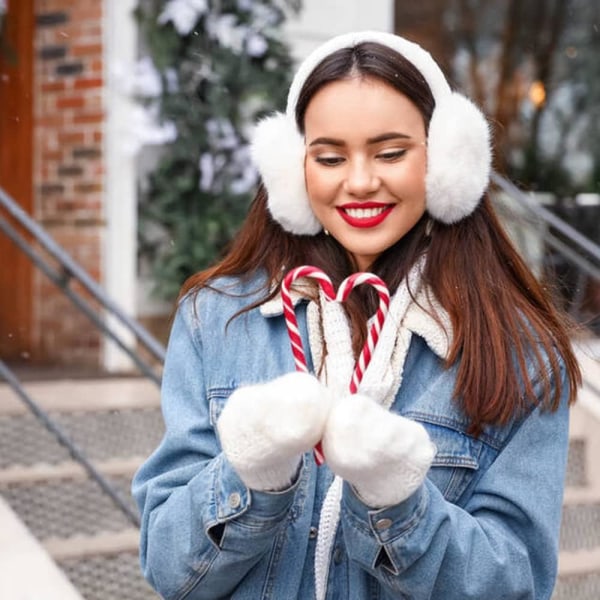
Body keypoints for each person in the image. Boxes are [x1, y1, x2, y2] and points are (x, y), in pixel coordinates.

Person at [132, 30, 581, 600]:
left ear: (446, 161)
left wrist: (399, 501)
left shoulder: (523, 355)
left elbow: (515, 583)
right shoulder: (216, 319)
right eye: (329, 156)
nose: (361, 181)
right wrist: (251, 474)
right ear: (294, 171)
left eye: (391, 152)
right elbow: (170, 569)